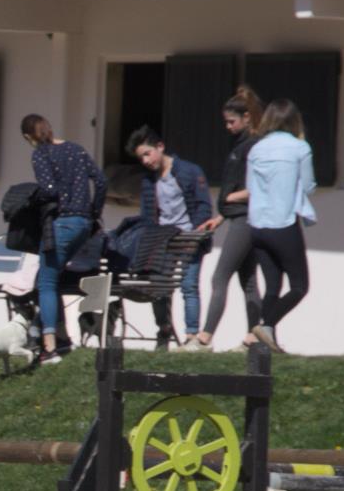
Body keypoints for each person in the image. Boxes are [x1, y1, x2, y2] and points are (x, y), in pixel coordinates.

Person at [22, 114, 105, 364]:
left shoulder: (41, 154)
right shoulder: (76, 149)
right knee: (53, 276)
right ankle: (56, 336)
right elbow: (101, 181)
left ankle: (49, 349)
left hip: (61, 223)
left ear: (29, 137)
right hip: (83, 224)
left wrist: (32, 200)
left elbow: (50, 190)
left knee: (46, 282)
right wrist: (94, 212)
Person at [129, 125, 217, 349]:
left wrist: (196, 234)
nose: (146, 161)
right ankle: (164, 331)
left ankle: (191, 336)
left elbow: (203, 206)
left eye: (147, 153)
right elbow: (147, 215)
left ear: (160, 147)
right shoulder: (148, 181)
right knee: (159, 288)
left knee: (189, 286)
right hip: (162, 240)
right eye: (141, 158)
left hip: (189, 237)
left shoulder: (188, 171)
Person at [244, 98, 318, 352]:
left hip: (257, 226)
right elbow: (308, 186)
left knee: (273, 286)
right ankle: (266, 326)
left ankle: (265, 346)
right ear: (294, 120)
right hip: (283, 224)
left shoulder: (256, 149)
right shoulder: (299, 148)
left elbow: (251, 188)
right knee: (299, 286)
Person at [194, 86, 265, 350]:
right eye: (225, 122)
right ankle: (255, 337)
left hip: (246, 220)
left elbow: (257, 187)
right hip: (237, 218)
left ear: (247, 117)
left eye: (231, 121)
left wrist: (232, 199)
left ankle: (205, 337)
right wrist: (220, 217)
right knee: (248, 281)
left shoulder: (253, 146)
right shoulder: (240, 145)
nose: (228, 126)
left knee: (219, 276)